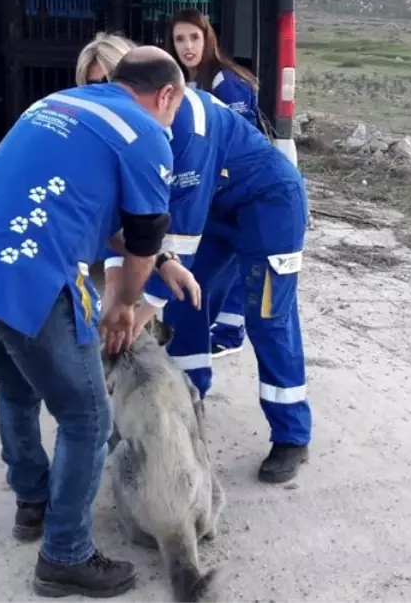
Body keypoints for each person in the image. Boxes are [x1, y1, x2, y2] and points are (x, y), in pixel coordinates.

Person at [0, 46, 197, 598]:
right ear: (165, 95)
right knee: (88, 418)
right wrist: (124, 302)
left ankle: (33, 503)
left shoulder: (55, 105)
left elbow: (84, 211)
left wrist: (160, 260)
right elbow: (143, 232)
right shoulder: (146, 134)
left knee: (17, 388)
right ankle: (65, 553)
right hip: (28, 283)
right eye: (175, 108)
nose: (172, 120)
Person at [84, 35, 313, 484]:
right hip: (218, 210)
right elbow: (122, 224)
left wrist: (129, 315)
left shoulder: (189, 128)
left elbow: (174, 240)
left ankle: (291, 434)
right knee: (188, 300)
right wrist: (117, 296)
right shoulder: (127, 124)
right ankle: (189, 404)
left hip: (269, 207)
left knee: (268, 316)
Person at [167, 8, 263, 358]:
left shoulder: (225, 82)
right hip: (213, 186)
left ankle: (230, 329)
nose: (187, 46)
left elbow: (242, 142)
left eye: (195, 37)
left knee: (232, 254)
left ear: (209, 38)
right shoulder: (185, 81)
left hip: (234, 184)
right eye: (180, 39)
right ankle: (219, 324)